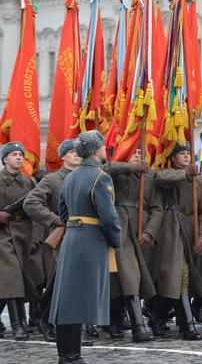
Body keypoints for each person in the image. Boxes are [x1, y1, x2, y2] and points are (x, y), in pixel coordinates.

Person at [49, 130, 122, 363]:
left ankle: (67, 354)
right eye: (102, 145)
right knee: (80, 299)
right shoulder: (101, 178)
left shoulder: (69, 177)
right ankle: (73, 355)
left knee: (68, 298)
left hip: (71, 238)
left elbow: (63, 213)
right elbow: (109, 218)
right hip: (91, 239)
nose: (105, 149)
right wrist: (116, 241)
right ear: (93, 150)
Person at [150, 142, 202, 341]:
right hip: (171, 227)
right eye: (182, 153)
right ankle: (188, 326)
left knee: (179, 279)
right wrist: (185, 174)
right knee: (179, 275)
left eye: (188, 153)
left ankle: (156, 315)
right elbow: (161, 179)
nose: (186, 156)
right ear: (173, 157)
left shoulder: (199, 181)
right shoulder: (170, 173)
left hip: (190, 229)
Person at [24, 139, 80, 343]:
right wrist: (53, 220)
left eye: (78, 152)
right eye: (71, 152)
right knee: (62, 281)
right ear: (63, 156)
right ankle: (49, 321)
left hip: (82, 234)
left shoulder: (84, 177)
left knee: (66, 281)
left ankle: (42, 315)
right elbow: (31, 202)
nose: (76, 155)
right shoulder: (52, 180)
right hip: (63, 235)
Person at [106, 147, 162, 342]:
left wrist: (149, 231)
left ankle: (113, 319)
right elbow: (106, 169)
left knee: (128, 280)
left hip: (141, 233)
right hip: (120, 229)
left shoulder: (150, 177)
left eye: (141, 151)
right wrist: (130, 167)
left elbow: (157, 207)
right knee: (131, 276)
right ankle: (139, 327)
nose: (138, 154)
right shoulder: (117, 173)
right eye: (134, 151)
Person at [0, 142, 41, 341]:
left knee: (18, 279)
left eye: (20, 154)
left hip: (24, 234)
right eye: (14, 154)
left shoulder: (29, 182)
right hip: (2, 236)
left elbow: (38, 212)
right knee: (13, 276)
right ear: (5, 159)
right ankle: (19, 325)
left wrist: (35, 239)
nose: (18, 157)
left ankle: (29, 320)